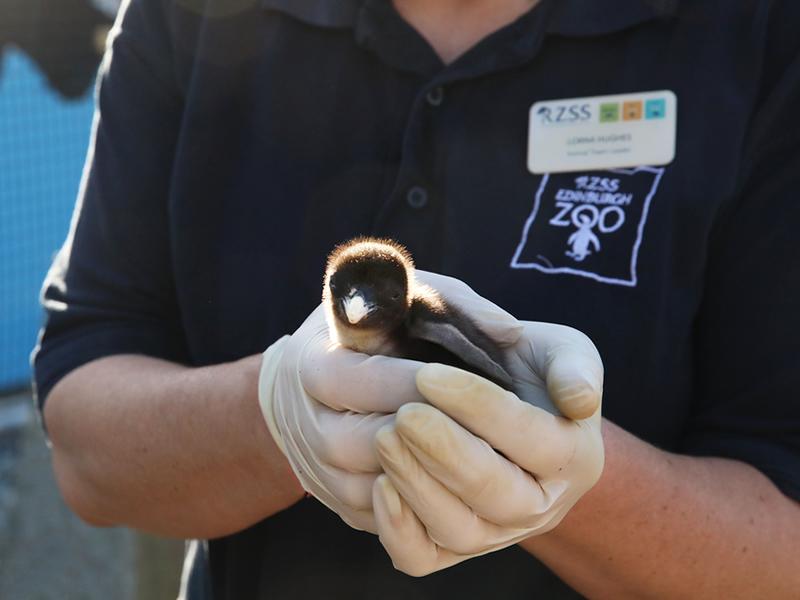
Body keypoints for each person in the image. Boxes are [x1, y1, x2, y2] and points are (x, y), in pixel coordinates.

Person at [33, 0, 800, 598]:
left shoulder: (759, 35)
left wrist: (575, 481)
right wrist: (272, 410)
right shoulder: (190, 19)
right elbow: (84, 433)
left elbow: (781, 552)